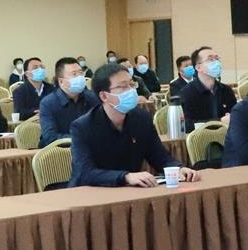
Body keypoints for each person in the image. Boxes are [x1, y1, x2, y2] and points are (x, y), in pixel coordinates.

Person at [69, 62, 197, 188]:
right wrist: (125, 177)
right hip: (92, 192)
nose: (131, 90)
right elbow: (85, 173)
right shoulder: (82, 127)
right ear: (104, 96)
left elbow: (159, 157)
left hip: (130, 190)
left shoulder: (141, 118)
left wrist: (178, 168)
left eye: (131, 84)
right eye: (123, 86)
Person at [38, 57, 98, 146]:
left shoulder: (92, 97)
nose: (80, 77)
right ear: (61, 81)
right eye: (74, 74)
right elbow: (50, 137)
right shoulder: (48, 103)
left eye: (81, 73)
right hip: (60, 151)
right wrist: (81, 139)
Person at [178, 45, 237, 132]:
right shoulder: (187, 93)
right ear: (198, 67)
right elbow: (186, 126)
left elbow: (236, 117)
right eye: (211, 59)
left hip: (227, 137)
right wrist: (219, 122)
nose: (216, 62)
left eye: (217, 59)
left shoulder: (226, 90)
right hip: (199, 139)